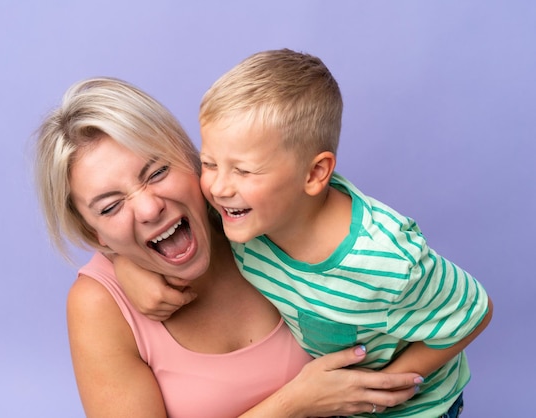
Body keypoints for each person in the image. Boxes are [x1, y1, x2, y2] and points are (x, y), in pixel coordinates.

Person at [121, 49, 493, 417]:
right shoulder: (241, 215)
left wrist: (380, 393)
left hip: (418, 411)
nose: (218, 187)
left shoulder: (387, 260)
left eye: (244, 171)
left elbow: (476, 311)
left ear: (314, 174)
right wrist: (128, 268)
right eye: (209, 163)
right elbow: (158, 221)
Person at [34, 76, 423, 418]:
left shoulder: (260, 214)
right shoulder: (100, 307)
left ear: (192, 161)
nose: (150, 208)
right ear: (94, 234)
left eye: (157, 172)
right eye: (112, 206)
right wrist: (293, 405)